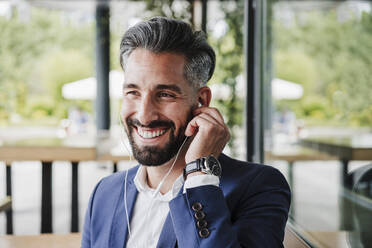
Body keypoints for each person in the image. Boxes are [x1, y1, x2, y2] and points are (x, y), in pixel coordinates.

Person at [82, 17, 290, 248]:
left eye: (165, 95)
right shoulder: (105, 192)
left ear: (201, 101)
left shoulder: (259, 188)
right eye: (133, 92)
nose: (144, 115)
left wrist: (200, 175)